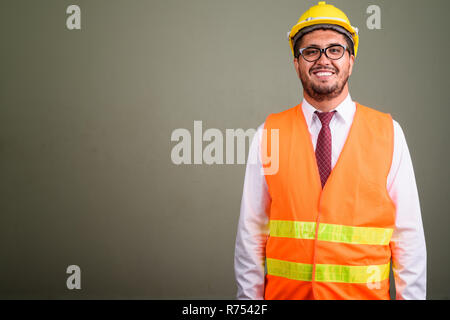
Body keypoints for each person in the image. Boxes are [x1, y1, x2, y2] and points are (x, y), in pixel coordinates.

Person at [234, 1, 426, 300]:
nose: (323, 59)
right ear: (296, 63)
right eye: (310, 51)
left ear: (351, 60)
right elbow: (250, 235)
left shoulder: (389, 133)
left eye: (335, 49)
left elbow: (408, 239)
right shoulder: (268, 135)